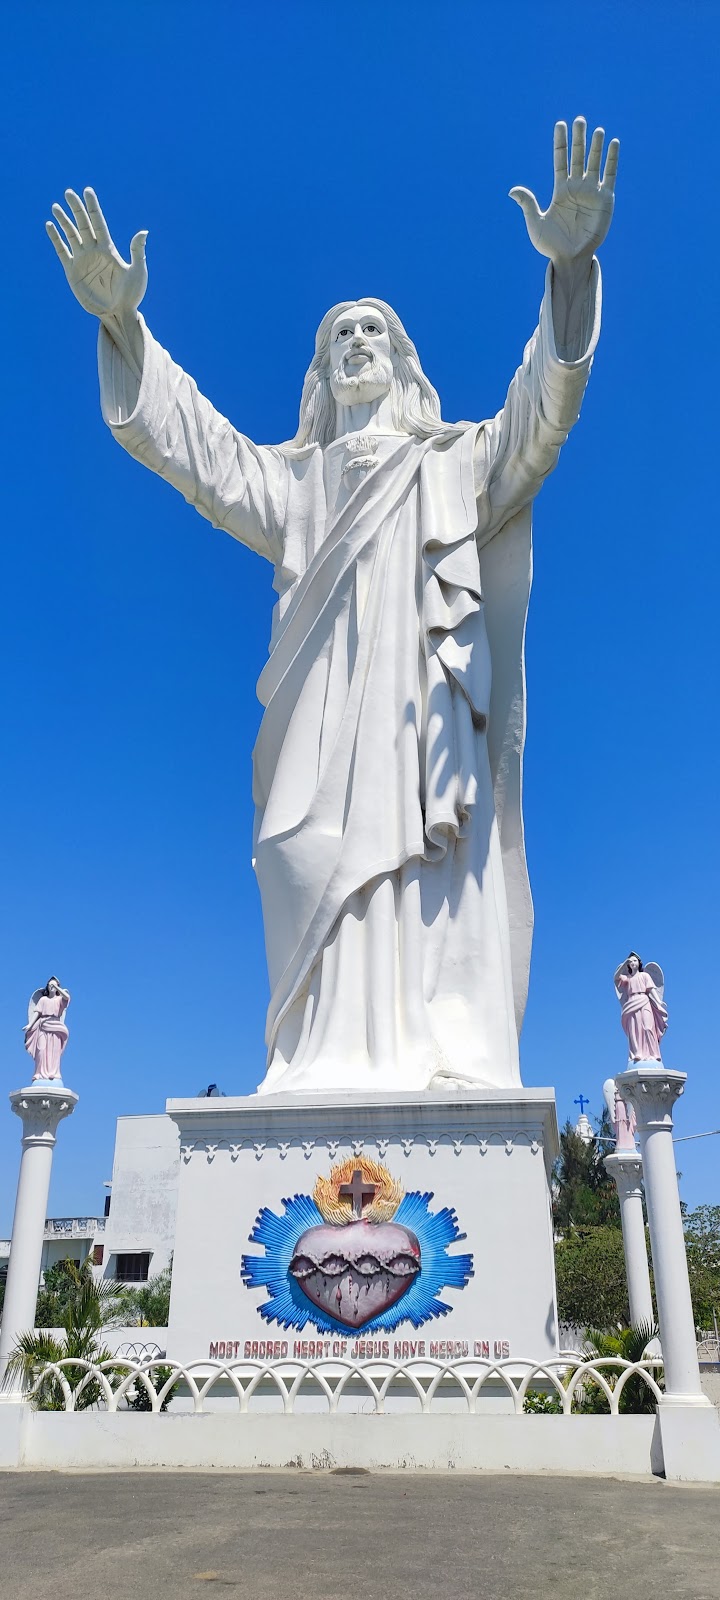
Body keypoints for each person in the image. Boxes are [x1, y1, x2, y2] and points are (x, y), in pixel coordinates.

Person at [46, 118, 618, 1095]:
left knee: (421, 874)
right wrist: (124, 329)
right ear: (323, 373)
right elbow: (200, 455)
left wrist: (568, 277)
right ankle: (315, 1060)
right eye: (340, 335)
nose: (357, 344)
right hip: (318, 728)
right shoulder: (296, 480)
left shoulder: (451, 459)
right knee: (297, 853)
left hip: (416, 728)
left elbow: (539, 421)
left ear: (402, 364)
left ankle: (423, 1052)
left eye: (374, 334)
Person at [615, 953, 668, 1063]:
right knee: (635, 1030)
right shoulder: (627, 979)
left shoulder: (645, 976)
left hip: (643, 1000)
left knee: (648, 1027)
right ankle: (637, 1053)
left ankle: (654, 1054)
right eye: (630, 962)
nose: (632, 963)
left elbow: (651, 990)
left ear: (639, 963)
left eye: (634, 961)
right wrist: (625, 963)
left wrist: (659, 1002)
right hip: (631, 1003)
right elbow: (615, 977)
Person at [24, 977, 71, 1082]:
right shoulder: (43, 999)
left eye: (54, 985)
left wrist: (57, 988)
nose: (52, 987)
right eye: (50, 985)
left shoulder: (59, 1000)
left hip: (55, 1026)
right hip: (43, 1026)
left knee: (54, 1051)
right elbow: (37, 1012)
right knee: (41, 1050)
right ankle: (38, 1073)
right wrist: (30, 1025)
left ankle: (53, 1073)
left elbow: (67, 997)